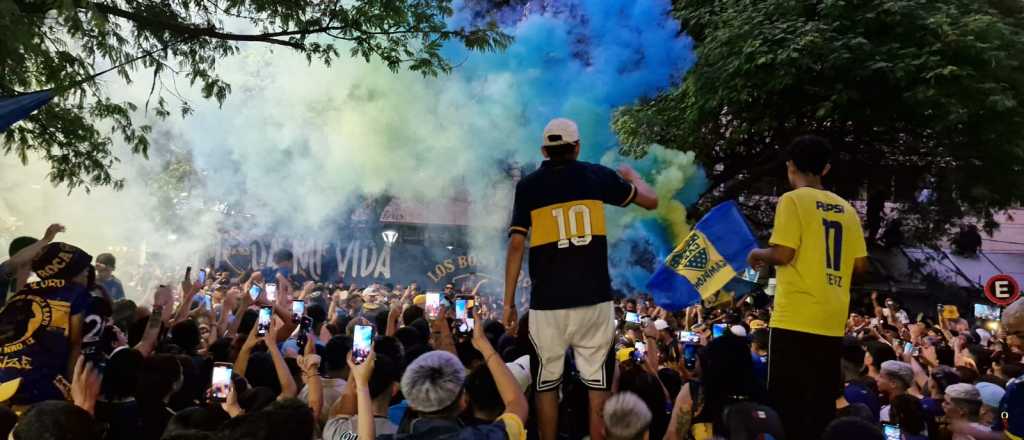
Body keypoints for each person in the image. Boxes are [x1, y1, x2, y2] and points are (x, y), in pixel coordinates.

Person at [503, 117, 657, 440]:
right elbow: (650, 200)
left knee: (545, 385)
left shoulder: (528, 187)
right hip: (594, 300)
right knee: (597, 386)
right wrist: (632, 176)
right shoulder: (596, 176)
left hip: (547, 305)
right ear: (576, 147)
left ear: (544, 150)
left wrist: (508, 304)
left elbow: (516, 243)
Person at [747, 135, 869, 440]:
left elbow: (783, 254)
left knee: (786, 405)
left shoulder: (792, 200)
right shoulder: (846, 209)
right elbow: (860, 266)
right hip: (831, 319)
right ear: (825, 169)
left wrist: (757, 254)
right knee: (819, 406)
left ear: (790, 166)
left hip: (796, 317)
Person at [357, 316, 529, 439]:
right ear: (464, 400)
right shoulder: (485, 436)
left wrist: (361, 382)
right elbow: (516, 403)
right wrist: (485, 346)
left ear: (411, 402)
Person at [0, 240, 91, 407]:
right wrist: (73, 390)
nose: (87, 273)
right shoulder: (76, 293)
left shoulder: (22, 292)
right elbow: (75, 343)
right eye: (84, 270)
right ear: (70, 271)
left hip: (5, 381)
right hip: (39, 386)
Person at [323, 353, 400, 439]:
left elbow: (342, 409)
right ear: (394, 388)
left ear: (354, 387)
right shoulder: (400, 434)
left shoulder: (335, 429)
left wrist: (355, 374)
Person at [0, 224, 63, 306]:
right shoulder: (5, 274)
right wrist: (45, 240)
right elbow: (15, 262)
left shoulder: (33, 281)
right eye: (39, 252)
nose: (43, 256)